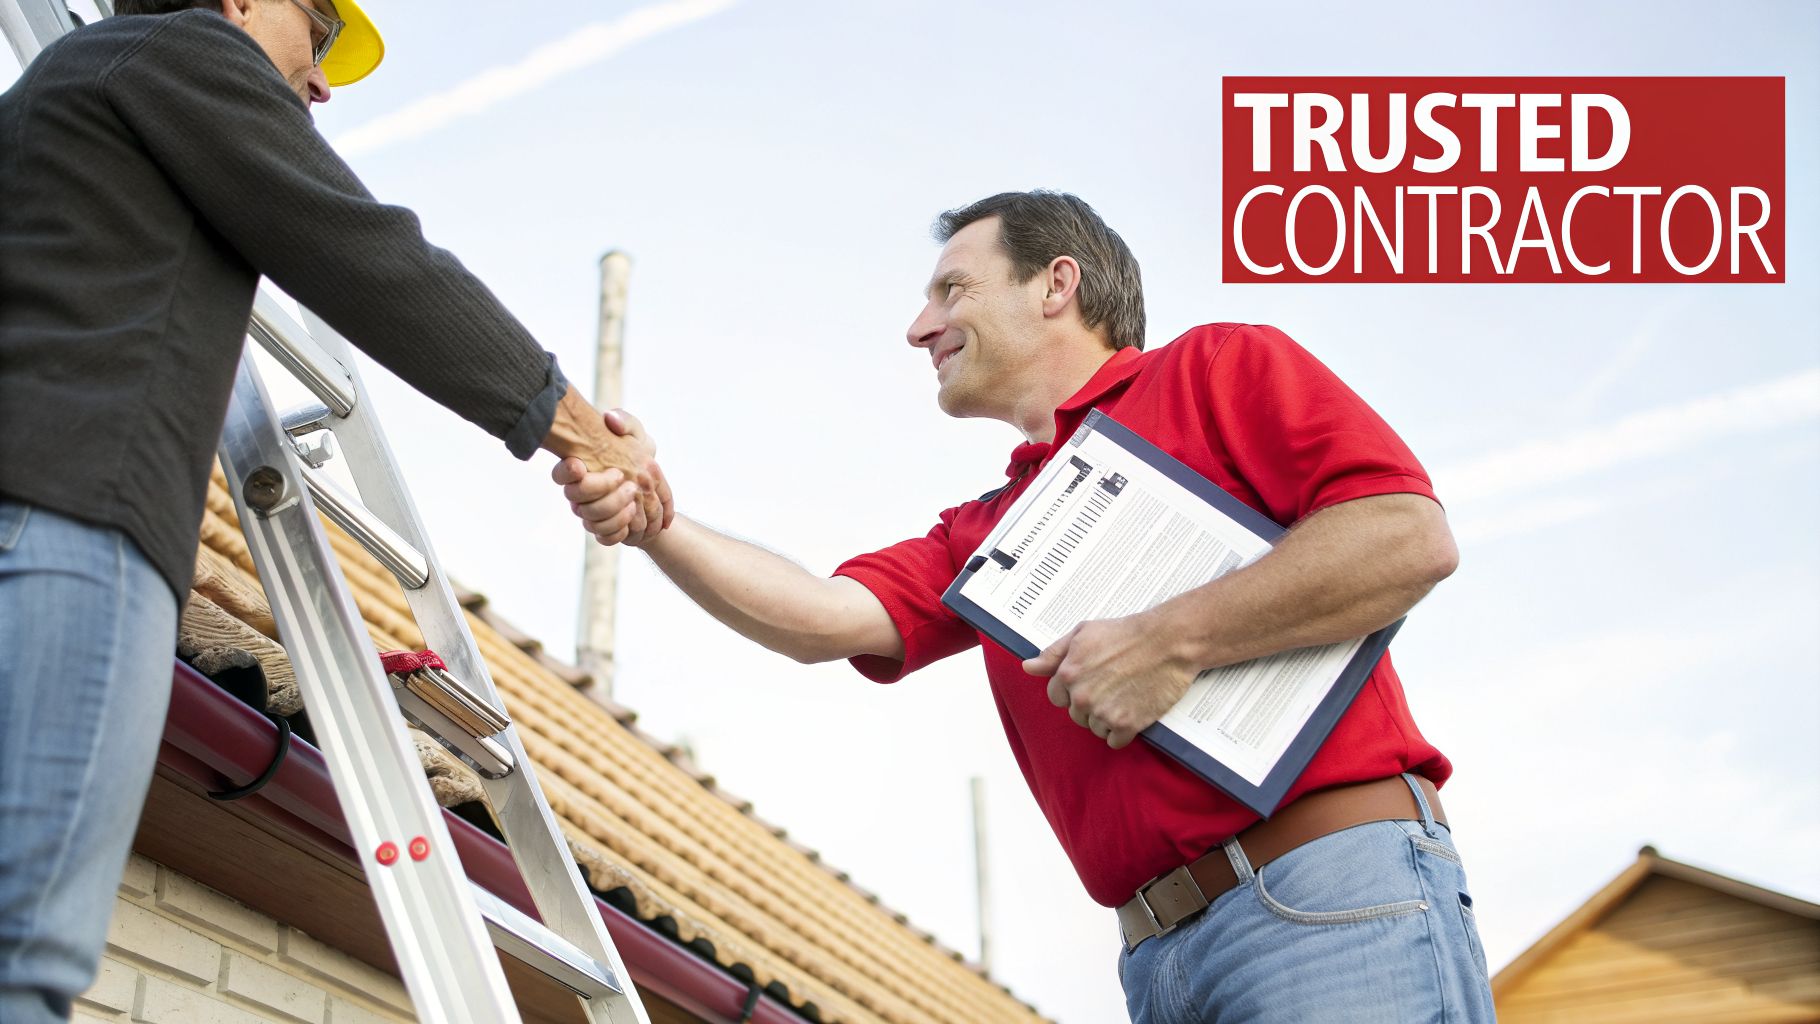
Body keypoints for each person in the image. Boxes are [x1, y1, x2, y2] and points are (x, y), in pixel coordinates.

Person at [558, 191, 1496, 1022]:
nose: (919, 329)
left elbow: (1404, 535)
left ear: (1056, 284)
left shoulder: (1217, 367)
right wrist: (654, 521)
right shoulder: (991, 528)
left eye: (951, 291)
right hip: (1158, 959)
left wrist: (1167, 641)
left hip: (1327, 896)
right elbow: (819, 616)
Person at [0, 2, 670, 1020]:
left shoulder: (90, 93)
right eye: (315, 38)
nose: (319, 85)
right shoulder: (185, 53)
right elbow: (368, 254)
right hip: (69, 512)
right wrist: (577, 427)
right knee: (23, 948)